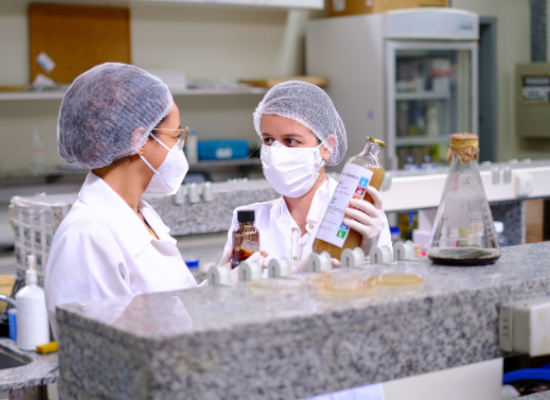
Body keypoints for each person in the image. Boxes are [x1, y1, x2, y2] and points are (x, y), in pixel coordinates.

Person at [44, 63, 198, 339]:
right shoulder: (86, 236)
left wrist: (224, 284)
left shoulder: (141, 216)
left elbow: (168, 309)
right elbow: (100, 354)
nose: (177, 150)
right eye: (175, 137)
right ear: (139, 140)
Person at [220, 81, 391, 273]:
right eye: (268, 140)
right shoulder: (250, 222)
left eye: (290, 141)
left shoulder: (359, 215)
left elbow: (381, 295)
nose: (276, 152)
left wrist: (369, 255)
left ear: (326, 146)